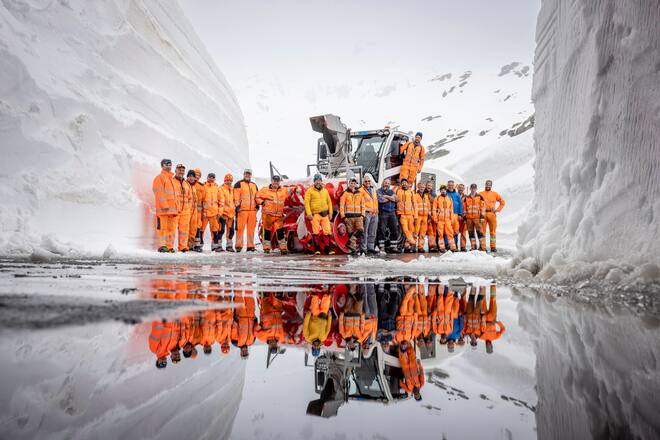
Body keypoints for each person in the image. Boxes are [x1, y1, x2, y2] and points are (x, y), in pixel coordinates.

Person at [152, 158, 181, 252]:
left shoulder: (172, 180)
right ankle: (162, 246)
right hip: (163, 210)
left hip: (173, 211)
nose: (169, 165)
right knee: (162, 229)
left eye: (170, 164)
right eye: (166, 163)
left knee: (171, 230)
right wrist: (164, 205)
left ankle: (169, 246)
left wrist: (177, 208)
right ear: (162, 166)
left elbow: (176, 195)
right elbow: (159, 192)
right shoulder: (159, 177)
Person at [256, 175, 290, 254]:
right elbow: (257, 197)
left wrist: (295, 189)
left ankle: (283, 248)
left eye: (277, 181)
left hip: (278, 216)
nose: (276, 183)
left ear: (279, 182)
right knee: (267, 231)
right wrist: (262, 202)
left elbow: (290, 190)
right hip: (268, 215)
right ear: (272, 181)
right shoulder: (265, 190)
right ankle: (267, 248)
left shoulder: (283, 190)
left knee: (280, 232)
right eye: (274, 181)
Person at [304, 174, 334, 255]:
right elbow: (306, 203)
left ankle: (328, 249)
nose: (318, 182)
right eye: (316, 180)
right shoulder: (309, 191)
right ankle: (317, 249)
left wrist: (330, 213)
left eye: (319, 180)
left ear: (321, 181)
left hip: (325, 214)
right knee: (316, 232)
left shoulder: (325, 191)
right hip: (315, 214)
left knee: (327, 231)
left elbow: (329, 203)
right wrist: (309, 213)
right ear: (314, 181)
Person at [234, 169, 259, 252]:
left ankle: (250, 246)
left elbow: (257, 197)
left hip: (252, 211)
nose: (247, 175)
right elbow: (236, 196)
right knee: (240, 229)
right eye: (246, 174)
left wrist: (257, 205)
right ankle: (238, 245)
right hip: (242, 210)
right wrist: (237, 206)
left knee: (251, 229)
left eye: (249, 174)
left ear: (251, 175)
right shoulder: (238, 184)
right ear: (244, 174)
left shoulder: (254, 185)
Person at [339, 178, 366, 255]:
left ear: (355, 184)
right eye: (351, 183)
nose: (352, 184)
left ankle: (349, 243)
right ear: (349, 184)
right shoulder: (345, 193)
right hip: (349, 217)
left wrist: (362, 215)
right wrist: (343, 217)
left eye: (354, 183)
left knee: (360, 230)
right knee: (350, 233)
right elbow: (342, 206)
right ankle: (353, 250)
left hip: (358, 216)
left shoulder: (360, 193)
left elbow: (363, 205)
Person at [479, 180, 505, 252]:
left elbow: (502, 202)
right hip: (483, 214)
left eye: (489, 185)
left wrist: (497, 210)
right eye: (487, 184)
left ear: (491, 186)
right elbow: (477, 203)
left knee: (493, 231)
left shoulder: (495, 194)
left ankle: (493, 246)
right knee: (482, 231)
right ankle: (482, 246)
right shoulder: (480, 194)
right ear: (485, 185)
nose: (488, 186)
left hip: (492, 214)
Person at [479, 284, 505, 353]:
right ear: (491, 346)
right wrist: (497, 323)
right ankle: (493, 285)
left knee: (482, 300)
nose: (488, 345)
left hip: (483, 317)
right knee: (493, 299)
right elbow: (503, 330)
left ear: (486, 347)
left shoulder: (481, 337)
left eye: (487, 347)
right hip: (492, 318)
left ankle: (482, 285)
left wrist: (481, 320)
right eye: (490, 346)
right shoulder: (495, 337)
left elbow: (477, 328)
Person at [173, 165, 194, 252]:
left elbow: (190, 198)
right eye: (179, 170)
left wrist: (188, 209)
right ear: (175, 171)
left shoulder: (186, 184)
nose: (181, 172)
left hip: (185, 211)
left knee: (184, 230)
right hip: (175, 210)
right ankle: (169, 246)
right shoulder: (172, 181)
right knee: (172, 229)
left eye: (182, 170)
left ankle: (183, 247)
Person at [376, 178, 400, 253]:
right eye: (385, 183)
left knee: (394, 229)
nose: (387, 184)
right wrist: (390, 198)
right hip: (383, 212)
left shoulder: (391, 191)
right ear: (383, 183)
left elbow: (397, 199)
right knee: (382, 230)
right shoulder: (379, 191)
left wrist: (386, 196)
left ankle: (393, 247)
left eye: (388, 183)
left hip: (392, 212)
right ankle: (381, 247)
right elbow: (380, 200)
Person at [231, 292, 258, 359]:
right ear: (248, 352)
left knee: (238, 296)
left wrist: (235, 320)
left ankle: (237, 284)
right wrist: (255, 321)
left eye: (243, 353)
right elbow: (255, 331)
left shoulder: (236, 343)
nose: (244, 352)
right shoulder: (251, 342)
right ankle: (249, 283)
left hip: (240, 316)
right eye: (246, 353)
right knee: (249, 296)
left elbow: (234, 330)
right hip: (250, 315)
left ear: (240, 353)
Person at [432, 185, 457, 252]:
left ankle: (452, 247)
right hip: (440, 220)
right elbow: (434, 209)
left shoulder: (449, 199)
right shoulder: (437, 198)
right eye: (442, 190)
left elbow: (451, 210)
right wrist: (435, 219)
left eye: (444, 190)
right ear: (440, 191)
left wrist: (452, 219)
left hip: (448, 220)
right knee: (440, 234)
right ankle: (442, 248)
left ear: (446, 191)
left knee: (450, 233)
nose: (443, 191)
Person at [395, 178, 418, 253]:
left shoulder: (411, 192)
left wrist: (415, 216)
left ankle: (407, 246)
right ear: (401, 184)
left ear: (408, 184)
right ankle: (413, 243)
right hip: (402, 215)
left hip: (410, 215)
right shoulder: (397, 191)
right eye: (403, 183)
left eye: (405, 183)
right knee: (405, 230)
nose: (404, 184)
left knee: (411, 231)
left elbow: (415, 204)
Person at [359, 173, 379, 254]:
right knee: (365, 232)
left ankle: (371, 247)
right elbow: (360, 202)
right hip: (366, 213)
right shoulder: (361, 190)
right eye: (366, 181)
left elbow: (375, 201)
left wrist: (377, 210)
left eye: (369, 181)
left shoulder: (373, 189)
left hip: (374, 213)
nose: (367, 182)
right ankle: (364, 248)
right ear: (363, 182)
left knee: (373, 232)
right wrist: (362, 213)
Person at [463, 184, 487, 251]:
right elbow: (464, 209)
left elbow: (483, 207)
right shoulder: (466, 198)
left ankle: (483, 247)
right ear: (470, 189)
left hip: (477, 218)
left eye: (474, 188)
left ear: (476, 189)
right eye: (472, 188)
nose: (473, 190)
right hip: (469, 219)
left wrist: (482, 216)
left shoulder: (480, 197)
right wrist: (464, 217)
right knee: (471, 233)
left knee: (480, 232)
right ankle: (473, 246)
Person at [202, 173, 221, 251]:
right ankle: (199, 245)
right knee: (201, 229)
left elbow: (220, 200)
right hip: (205, 213)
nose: (211, 179)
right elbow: (201, 199)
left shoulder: (217, 188)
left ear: (214, 179)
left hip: (214, 213)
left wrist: (219, 212)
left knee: (214, 230)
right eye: (210, 177)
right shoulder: (203, 186)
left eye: (213, 177)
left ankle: (214, 246)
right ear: (207, 178)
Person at [218, 173, 236, 252]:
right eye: (227, 180)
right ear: (224, 180)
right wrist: (220, 213)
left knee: (231, 231)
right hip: (224, 214)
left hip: (231, 214)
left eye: (230, 181)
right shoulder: (221, 189)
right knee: (221, 230)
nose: (229, 182)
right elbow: (220, 201)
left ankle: (229, 246)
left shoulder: (233, 189)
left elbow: (235, 200)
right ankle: (218, 245)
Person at [190, 168, 205, 252]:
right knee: (190, 227)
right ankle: (190, 245)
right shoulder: (189, 184)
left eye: (199, 175)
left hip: (198, 211)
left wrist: (203, 211)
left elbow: (203, 199)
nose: (197, 176)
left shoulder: (201, 186)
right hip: (190, 209)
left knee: (198, 227)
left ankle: (197, 245)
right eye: (196, 175)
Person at [446, 180, 464, 251]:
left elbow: (460, 205)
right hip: (447, 215)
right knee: (448, 230)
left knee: (455, 230)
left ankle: (455, 245)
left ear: (454, 186)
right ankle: (448, 245)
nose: (450, 186)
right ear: (448, 185)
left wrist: (460, 214)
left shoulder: (457, 194)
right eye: (449, 185)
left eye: (452, 185)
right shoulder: (445, 193)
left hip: (455, 214)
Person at [414, 184, 432, 253]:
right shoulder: (415, 196)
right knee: (415, 232)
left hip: (425, 217)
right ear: (418, 187)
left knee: (423, 233)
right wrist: (415, 217)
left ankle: (420, 247)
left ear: (425, 188)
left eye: (423, 187)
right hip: (418, 216)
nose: (422, 188)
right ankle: (413, 246)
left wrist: (429, 216)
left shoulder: (426, 196)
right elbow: (414, 206)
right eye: (421, 187)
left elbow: (428, 207)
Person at [424, 181, 438, 252]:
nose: (429, 187)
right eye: (428, 185)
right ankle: (431, 246)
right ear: (426, 186)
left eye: (430, 186)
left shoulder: (434, 194)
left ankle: (432, 246)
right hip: (425, 215)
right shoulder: (423, 193)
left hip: (432, 215)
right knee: (428, 231)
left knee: (433, 232)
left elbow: (436, 205)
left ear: (432, 187)